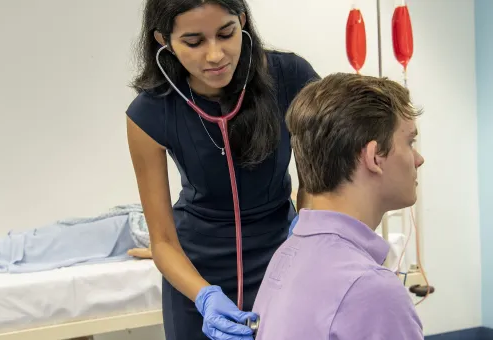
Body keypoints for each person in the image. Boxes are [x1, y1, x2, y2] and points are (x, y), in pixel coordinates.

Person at [124, 0, 319, 339]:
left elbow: (317, 181)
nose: (215, 55)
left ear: (242, 21)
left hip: (281, 260)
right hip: (195, 273)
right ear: (164, 41)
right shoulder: (148, 113)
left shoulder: (291, 78)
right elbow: (164, 241)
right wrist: (205, 296)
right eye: (194, 41)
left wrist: (308, 231)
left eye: (226, 33)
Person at [252, 72, 425, 339]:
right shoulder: (370, 288)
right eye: (410, 142)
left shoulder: (286, 255)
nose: (419, 159)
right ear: (374, 157)